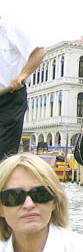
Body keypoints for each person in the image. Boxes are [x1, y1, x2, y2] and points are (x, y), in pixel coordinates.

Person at [0, 16, 46, 159]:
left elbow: (39, 52)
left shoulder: (11, 30)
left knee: (4, 152)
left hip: (11, 97)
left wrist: (22, 75)